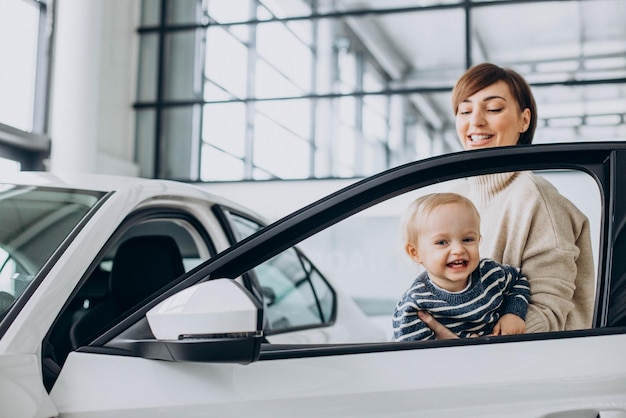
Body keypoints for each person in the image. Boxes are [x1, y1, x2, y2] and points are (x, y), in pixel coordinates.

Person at [418, 62, 595, 337]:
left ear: (524, 120)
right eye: (464, 110)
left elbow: (549, 309)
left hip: (529, 365)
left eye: (493, 109)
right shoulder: (457, 199)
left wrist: (479, 345)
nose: (475, 121)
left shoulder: (536, 199)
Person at [393, 192, 530, 341]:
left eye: (467, 239)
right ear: (415, 253)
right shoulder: (415, 304)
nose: (458, 249)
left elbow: (519, 280)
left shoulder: (491, 273)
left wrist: (513, 313)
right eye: (442, 242)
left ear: (479, 240)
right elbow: (416, 358)